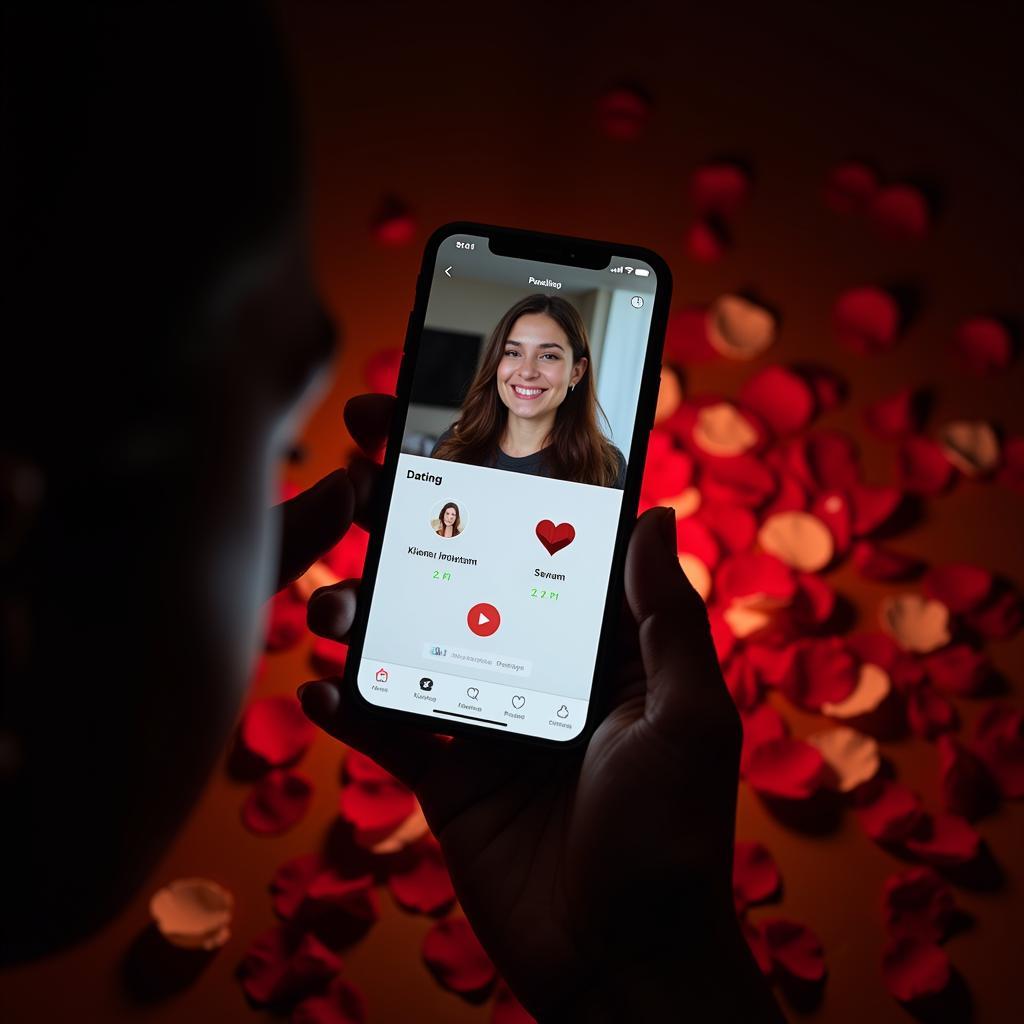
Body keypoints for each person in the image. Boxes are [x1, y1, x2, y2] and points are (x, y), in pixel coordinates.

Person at [1, 5, 782, 1021]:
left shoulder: (587, 469)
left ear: (580, 371)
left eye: (555, 354)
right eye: (277, 440)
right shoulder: (454, 456)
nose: (286, 550)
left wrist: (638, 978)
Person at [431, 294, 628, 488]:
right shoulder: (454, 447)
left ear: (576, 372)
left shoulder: (605, 467)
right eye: (513, 353)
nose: (527, 372)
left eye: (548, 356)